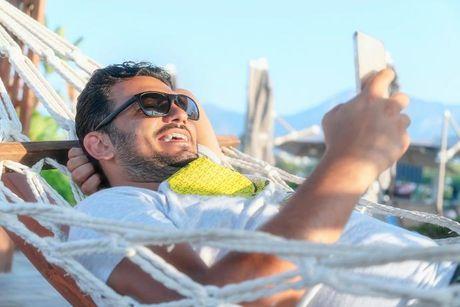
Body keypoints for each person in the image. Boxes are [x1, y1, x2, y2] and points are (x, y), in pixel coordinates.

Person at [67, 61, 456, 306]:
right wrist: (352, 161)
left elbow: (185, 96)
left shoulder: (212, 173)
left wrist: (115, 151)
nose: (176, 114)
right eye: (150, 104)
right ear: (98, 142)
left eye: (181, 109)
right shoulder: (111, 209)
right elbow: (211, 300)